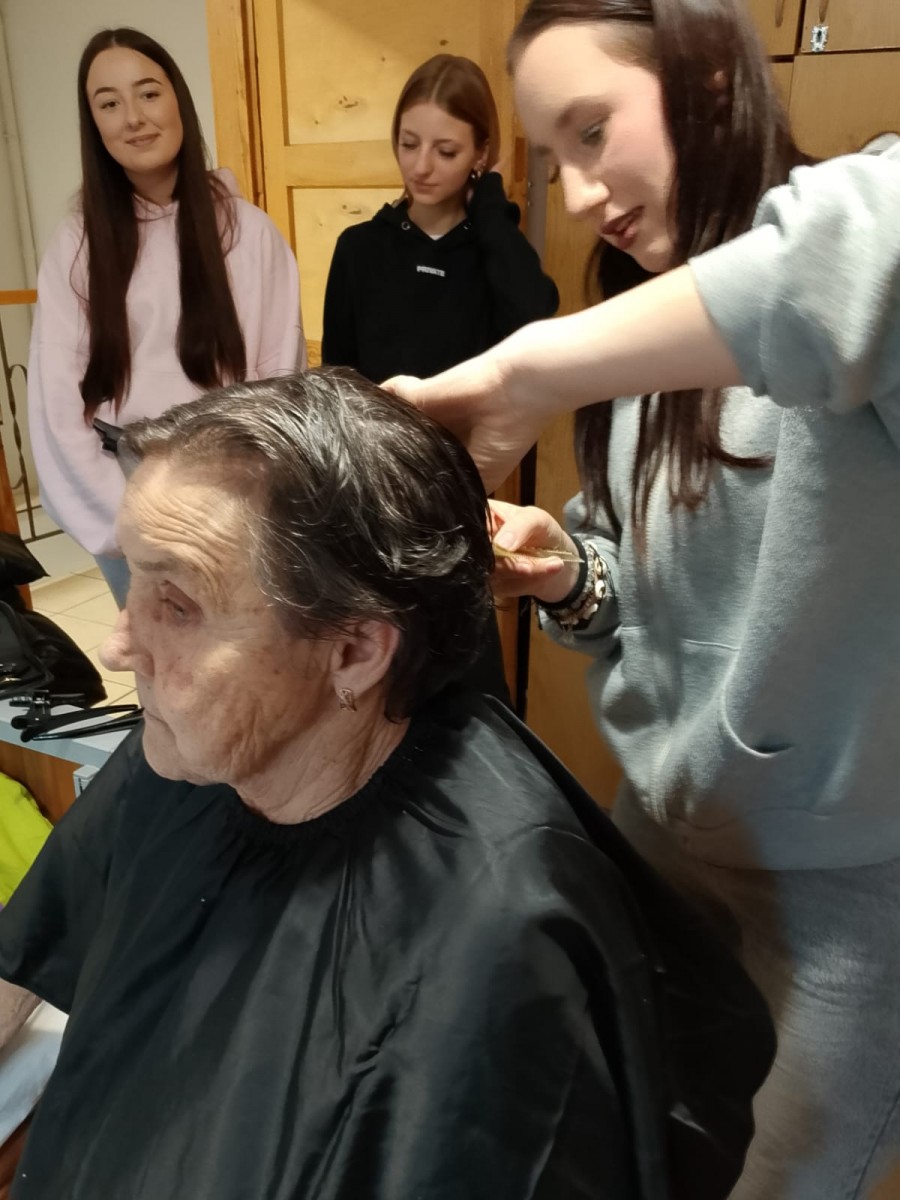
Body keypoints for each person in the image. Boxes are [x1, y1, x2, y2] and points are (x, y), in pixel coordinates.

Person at [0, 371, 773, 1200]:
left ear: (355, 653)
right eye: (134, 581)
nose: (117, 648)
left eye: (178, 605)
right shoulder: (186, 753)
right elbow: (34, 948)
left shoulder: (495, 938)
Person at [386, 3, 900, 1198]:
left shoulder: (844, 279)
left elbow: (863, 248)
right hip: (661, 845)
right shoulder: (637, 348)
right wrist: (568, 571)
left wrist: (526, 369)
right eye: (551, 156)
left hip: (843, 902)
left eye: (592, 131)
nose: (576, 195)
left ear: (710, 78)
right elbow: (626, 587)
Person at [27, 27, 305, 607]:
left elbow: (281, 382)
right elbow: (57, 404)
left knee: (240, 651)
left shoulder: (250, 234)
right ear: (93, 125)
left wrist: (246, 504)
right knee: (157, 657)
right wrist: (127, 523)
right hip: (120, 485)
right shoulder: (78, 245)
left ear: (179, 99)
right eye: (109, 104)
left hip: (230, 487)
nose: (133, 118)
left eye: (148, 93)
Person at [322, 53, 559, 383]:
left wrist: (490, 203)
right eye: (409, 144)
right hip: (374, 420)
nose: (421, 167)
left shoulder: (497, 251)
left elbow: (535, 325)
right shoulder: (359, 247)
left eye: (446, 152)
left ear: (481, 153)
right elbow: (335, 379)